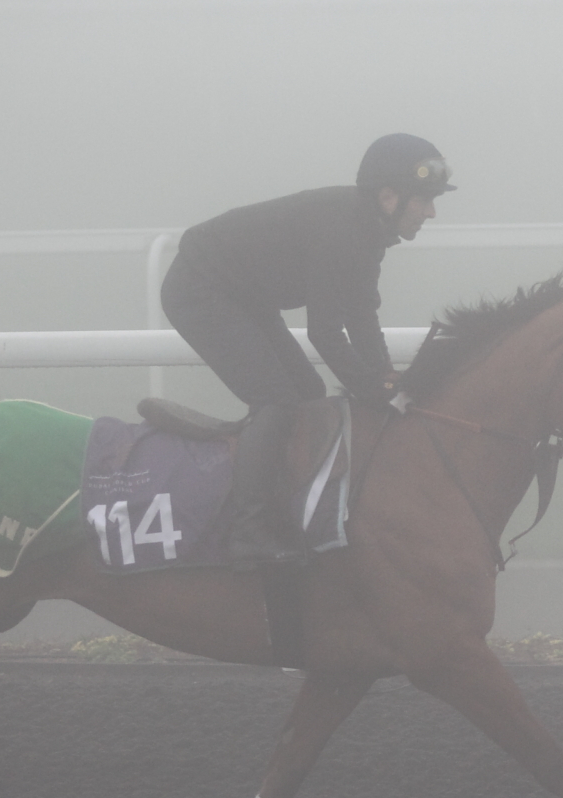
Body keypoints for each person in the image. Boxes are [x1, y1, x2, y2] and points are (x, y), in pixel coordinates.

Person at [161, 132, 456, 565]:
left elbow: (361, 317)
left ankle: (282, 510)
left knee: (309, 392)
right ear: (389, 196)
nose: (431, 212)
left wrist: (386, 377)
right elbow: (325, 332)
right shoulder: (340, 231)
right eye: (424, 200)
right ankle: (248, 530)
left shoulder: (368, 230)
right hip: (200, 288)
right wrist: (373, 391)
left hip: (242, 295)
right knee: (277, 399)